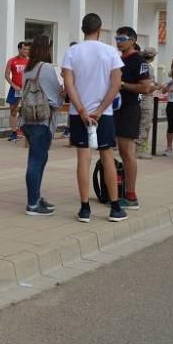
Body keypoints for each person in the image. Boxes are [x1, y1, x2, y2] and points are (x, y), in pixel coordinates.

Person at [62, 13, 125, 223]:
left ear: (82, 29)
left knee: (83, 158)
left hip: (78, 113)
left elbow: (68, 84)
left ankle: (84, 208)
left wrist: (81, 109)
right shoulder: (110, 52)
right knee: (107, 157)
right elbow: (116, 84)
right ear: (100, 29)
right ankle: (115, 208)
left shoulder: (72, 51)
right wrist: (100, 110)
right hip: (104, 114)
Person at [17, 34, 63, 216]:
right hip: (42, 121)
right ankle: (33, 204)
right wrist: (63, 95)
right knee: (36, 161)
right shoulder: (46, 68)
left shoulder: (28, 69)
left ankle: (36, 197)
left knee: (37, 159)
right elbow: (55, 98)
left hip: (27, 121)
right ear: (46, 49)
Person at [114, 27, 151, 210]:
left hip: (130, 109)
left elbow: (145, 87)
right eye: (116, 38)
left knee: (128, 153)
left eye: (122, 38)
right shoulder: (118, 59)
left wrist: (122, 84)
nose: (118, 41)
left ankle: (131, 195)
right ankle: (120, 189)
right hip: (116, 109)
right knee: (121, 151)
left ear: (133, 40)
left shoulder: (139, 61)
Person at [4, 41, 30, 141]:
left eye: (28, 49)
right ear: (19, 49)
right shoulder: (12, 61)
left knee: (27, 110)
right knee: (13, 110)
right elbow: (6, 75)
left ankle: (24, 130)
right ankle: (14, 132)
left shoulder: (29, 61)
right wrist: (14, 85)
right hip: (15, 89)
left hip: (26, 89)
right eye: (24, 49)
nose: (26, 51)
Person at [136, 47, 158, 159]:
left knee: (139, 123)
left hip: (139, 97)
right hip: (146, 98)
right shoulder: (148, 67)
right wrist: (158, 87)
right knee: (145, 124)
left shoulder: (139, 65)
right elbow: (147, 86)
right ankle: (140, 150)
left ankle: (139, 148)